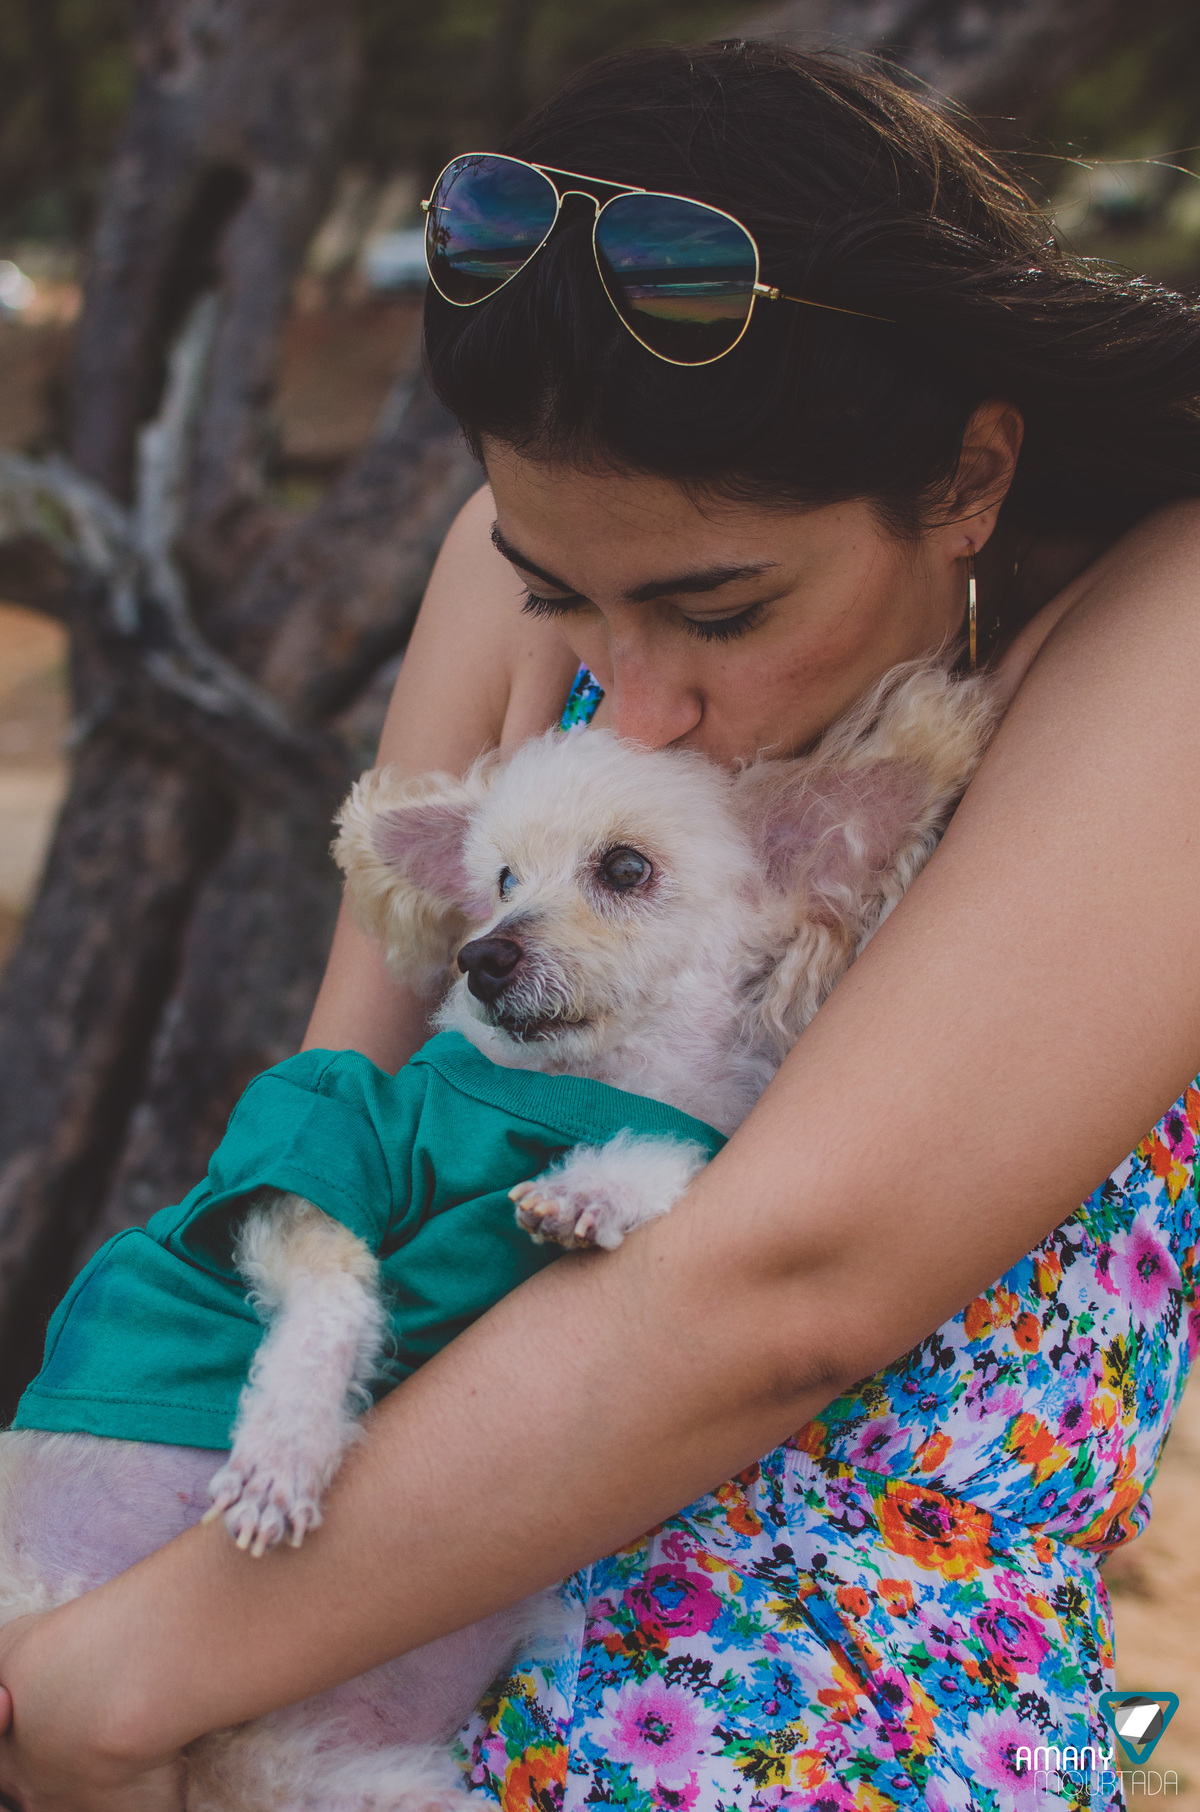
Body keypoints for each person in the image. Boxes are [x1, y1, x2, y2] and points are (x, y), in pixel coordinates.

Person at [2, 39, 1200, 1812]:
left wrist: (123, 1683)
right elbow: (350, 1089)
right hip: (306, 1610)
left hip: (790, 1717)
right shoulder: (538, 542)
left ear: (967, 477)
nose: (624, 700)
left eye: (718, 607)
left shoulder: (1163, 630)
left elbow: (786, 1283)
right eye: (569, 602)